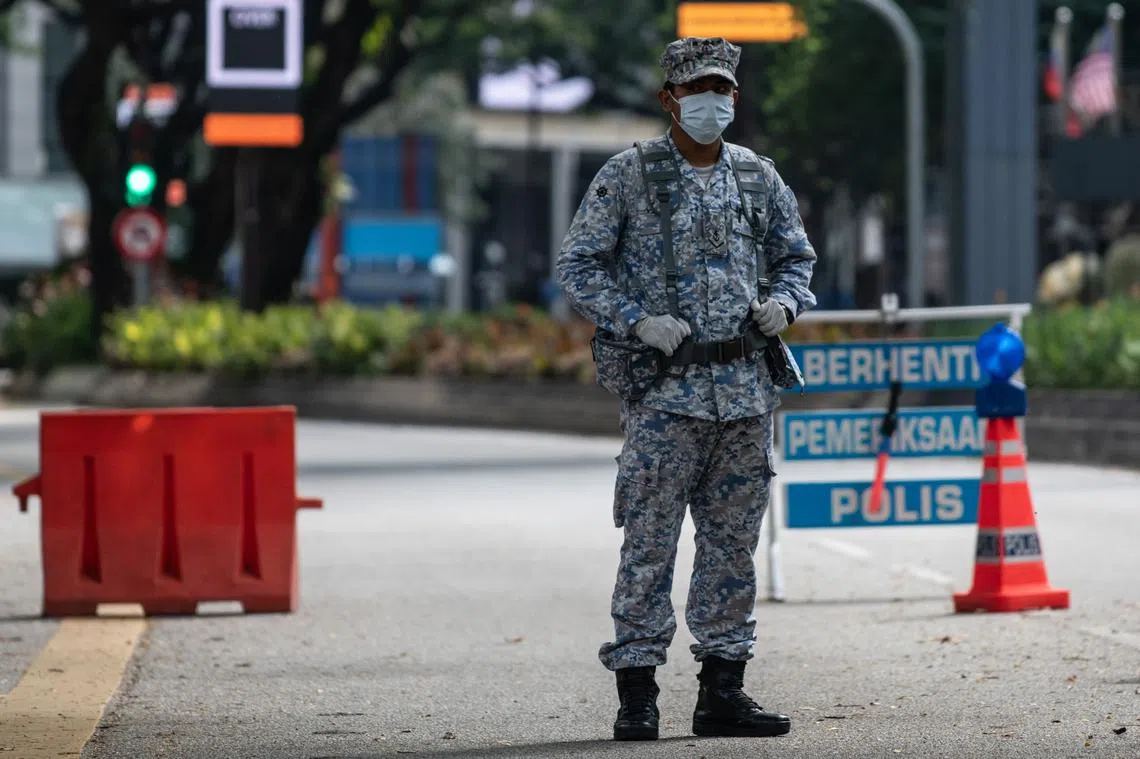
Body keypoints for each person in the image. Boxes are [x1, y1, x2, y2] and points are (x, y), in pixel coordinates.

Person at [556, 36, 818, 741]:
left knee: (732, 546)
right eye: (700, 88)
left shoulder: (759, 177)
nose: (715, 100)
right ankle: (637, 692)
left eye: (724, 89)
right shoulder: (629, 175)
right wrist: (636, 321)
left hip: (743, 393)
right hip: (666, 394)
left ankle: (722, 690)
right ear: (670, 97)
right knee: (649, 543)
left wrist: (785, 305)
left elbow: (796, 259)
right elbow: (579, 265)